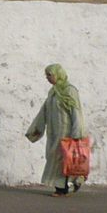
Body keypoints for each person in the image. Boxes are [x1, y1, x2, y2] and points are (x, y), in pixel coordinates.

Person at [26, 64, 87, 196]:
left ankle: (62, 188)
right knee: (56, 158)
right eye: (46, 75)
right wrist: (36, 129)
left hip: (66, 132)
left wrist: (77, 133)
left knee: (63, 158)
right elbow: (44, 111)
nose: (47, 78)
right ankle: (73, 182)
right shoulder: (54, 92)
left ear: (58, 74)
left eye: (49, 74)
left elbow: (76, 112)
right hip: (54, 132)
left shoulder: (69, 90)